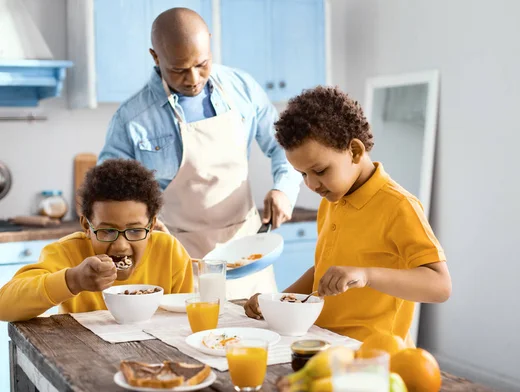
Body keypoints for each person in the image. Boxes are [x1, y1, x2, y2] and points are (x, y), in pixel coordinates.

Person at [98, 7, 301, 298]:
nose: (193, 78)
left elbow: (285, 145)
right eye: (178, 69)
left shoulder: (243, 88)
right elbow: (109, 192)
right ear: (155, 57)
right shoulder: (131, 118)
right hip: (178, 257)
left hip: (248, 251)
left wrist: (283, 189)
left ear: (209, 42)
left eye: (202, 64)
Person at [244, 87, 452, 343]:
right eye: (303, 175)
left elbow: (440, 286)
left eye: (319, 170)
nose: (311, 184)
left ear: (354, 151)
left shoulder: (398, 206)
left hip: (372, 352)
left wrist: (366, 275)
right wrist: (275, 303)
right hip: (324, 341)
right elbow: (323, 273)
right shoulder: (332, 200)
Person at [0, 159, 193, 322]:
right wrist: (73, 280)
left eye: (135, 230)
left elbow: (184, 317)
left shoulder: (169, 252)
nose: (120, 246)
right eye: (107, 231)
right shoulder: (65, 253)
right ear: (86, 225)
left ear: (151, 226)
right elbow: (4, 305)